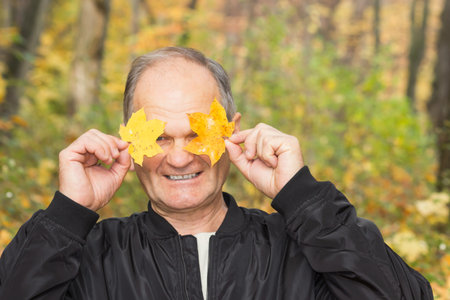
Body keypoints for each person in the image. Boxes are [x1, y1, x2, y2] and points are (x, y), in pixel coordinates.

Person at [0, 47, 432, 300]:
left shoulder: (301, 253)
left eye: (196, 134)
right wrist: (66, 216)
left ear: (235, 132)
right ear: (126, 143)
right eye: (159, 138)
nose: (180, 157)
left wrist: (303, 198)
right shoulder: (87, 257)